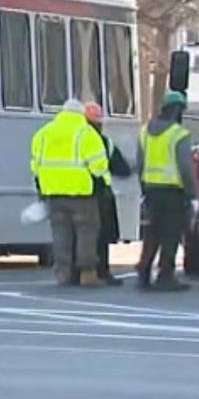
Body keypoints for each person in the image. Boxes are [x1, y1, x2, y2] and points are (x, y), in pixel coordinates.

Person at [30, 99, 109, 286]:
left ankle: (63, 273)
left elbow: (35, 166)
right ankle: (87, 273)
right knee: (86, 232)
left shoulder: (43, 133)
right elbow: (98, 166)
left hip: (54, 193)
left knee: (60, 234)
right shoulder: (86, 132)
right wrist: (104, 184)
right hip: (82, 193)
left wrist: (42, 188)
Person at [135, 90, 195, 291]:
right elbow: (185, 167)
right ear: (178, 110)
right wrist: (191, 192)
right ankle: (165, 275)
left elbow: (140, 162)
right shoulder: (179, 134)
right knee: (170, 234)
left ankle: (144, 271)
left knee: (151, 232)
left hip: (151, 190)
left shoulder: (145, 131)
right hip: (173, 192)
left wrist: (143, 186)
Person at [83, 101, 132, 286]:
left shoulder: (73, 140)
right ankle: (102, 271)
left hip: (75, 192)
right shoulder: (105, 143)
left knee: (79, 234)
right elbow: (122, 168)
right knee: (102, 235)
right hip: (100, 193)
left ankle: (76, 272)